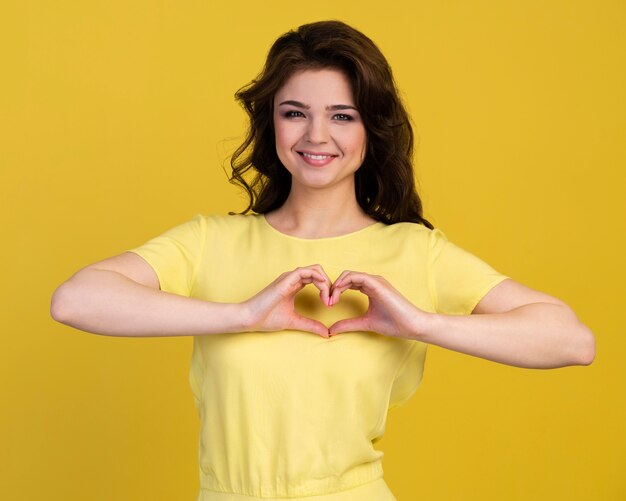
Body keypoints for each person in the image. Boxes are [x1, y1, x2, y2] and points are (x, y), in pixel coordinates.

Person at [50, 20, 595, 501]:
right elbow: (75, 300)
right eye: (295, 113)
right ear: (273, 124)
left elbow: (572, 341)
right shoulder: (210, 242)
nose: (316, 136)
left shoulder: (413, 253)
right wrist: (241, 315)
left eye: (342, 115)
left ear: (370, 129)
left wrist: (420, 324)